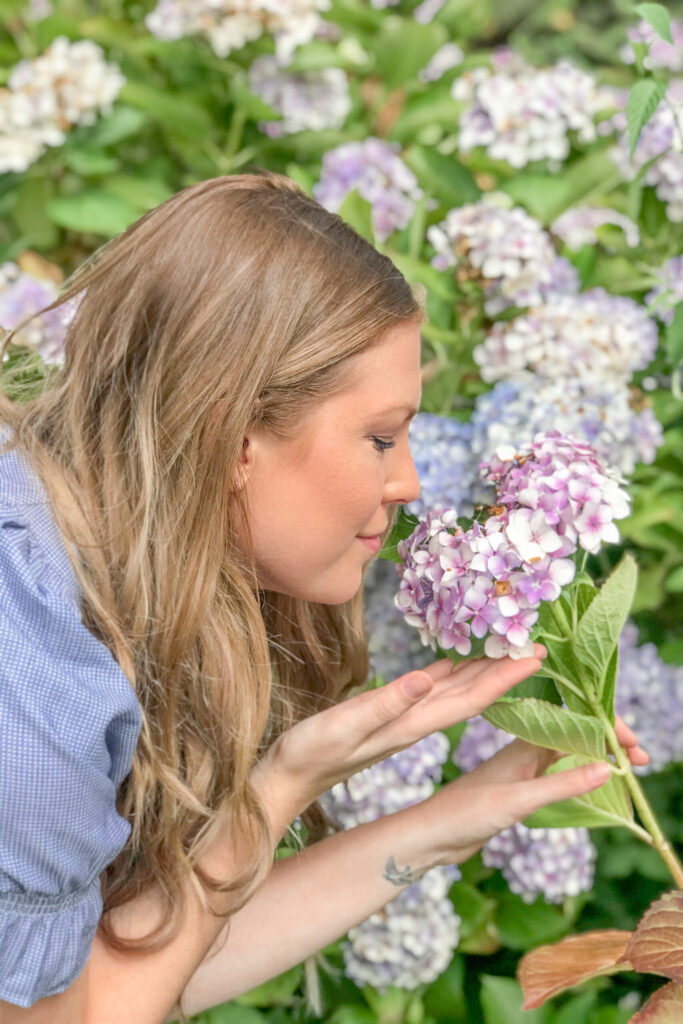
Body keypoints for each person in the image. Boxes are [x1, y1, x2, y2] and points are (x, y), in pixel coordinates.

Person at [0, 172, 648, 1024]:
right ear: (234, 437)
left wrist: (447, 820)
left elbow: (123, 973)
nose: (408, 483)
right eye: (380, 437)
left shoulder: (62, 576)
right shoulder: (36, 687)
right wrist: (277, 792)